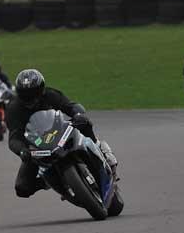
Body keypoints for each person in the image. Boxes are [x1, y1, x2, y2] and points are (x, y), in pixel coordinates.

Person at [6, 69, 118, 199]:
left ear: (41, 89)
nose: (31, 99)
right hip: (36, 147)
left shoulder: (50, 95)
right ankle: (51, 182)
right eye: (25, 95)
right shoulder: (13, 109)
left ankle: (102, 151)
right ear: (19, 94)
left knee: (85, 123)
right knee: (22, 188)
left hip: (60, 132)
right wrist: (22, 151)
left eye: (34, 93)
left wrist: (77, 114)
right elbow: (14, 138)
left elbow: (69, 105)